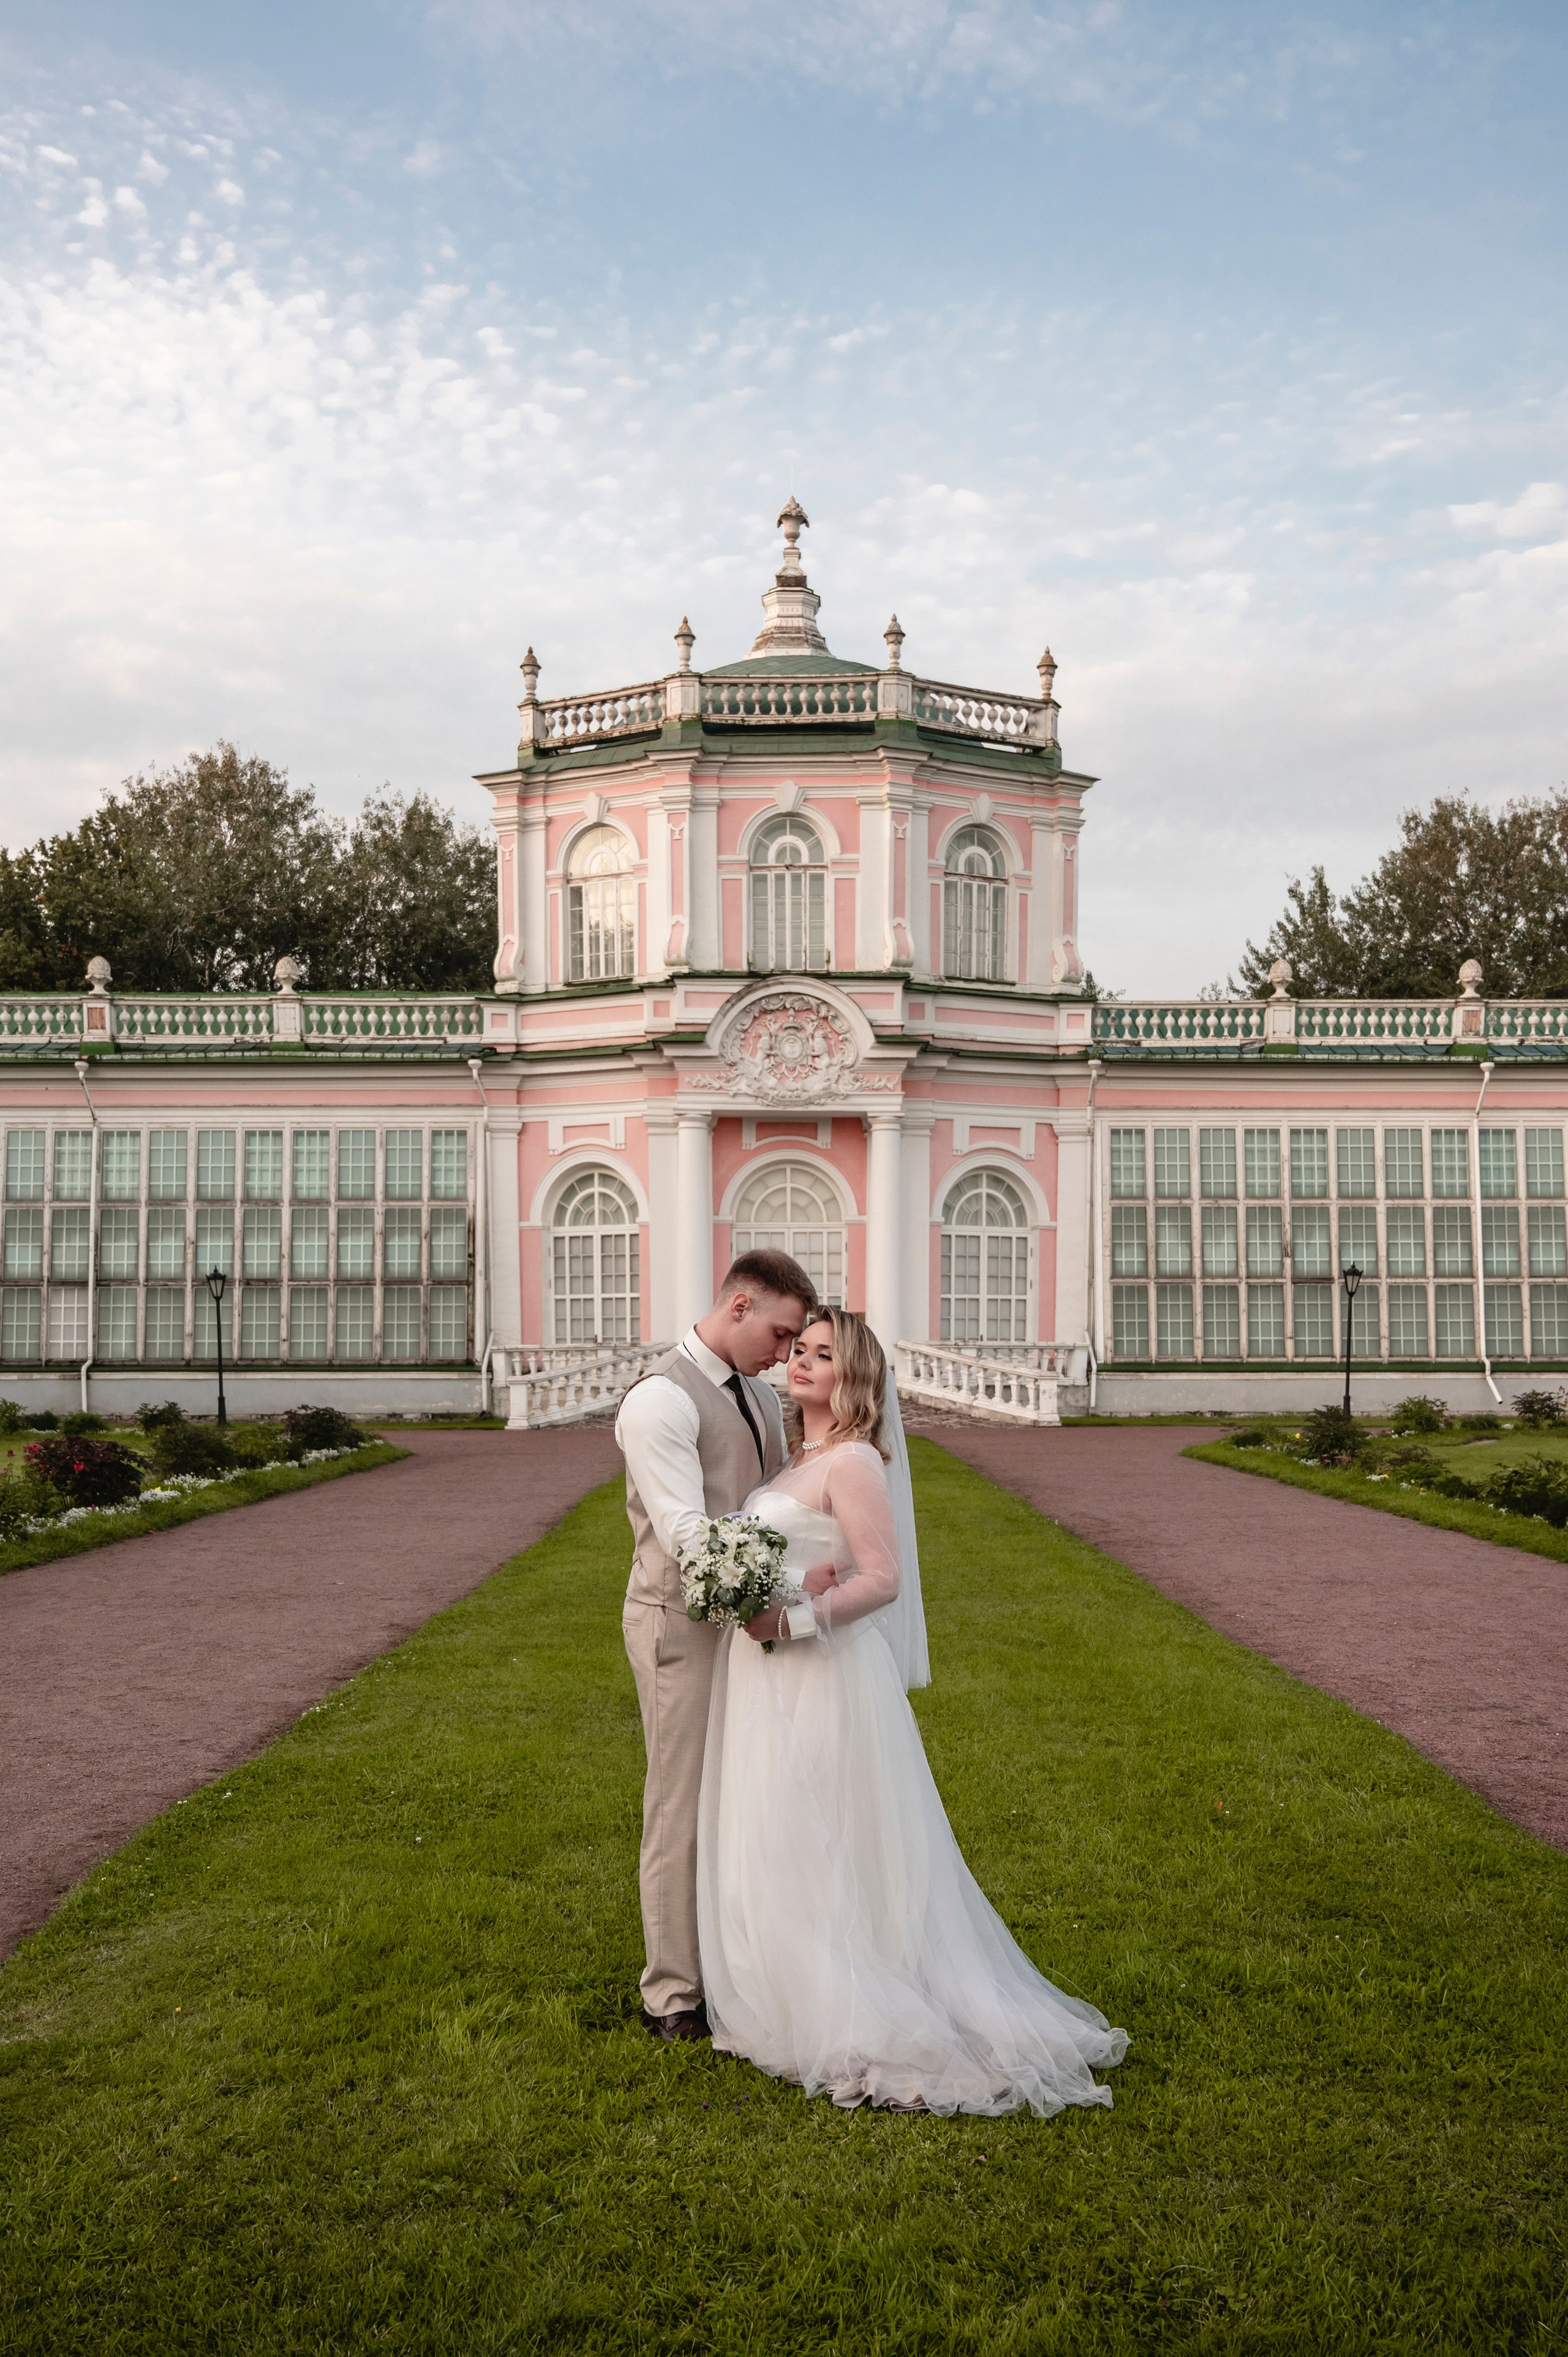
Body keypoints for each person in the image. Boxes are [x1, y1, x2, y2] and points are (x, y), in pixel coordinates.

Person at [696, 1306, 1129, 2116]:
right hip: (767, 1678)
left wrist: (788, 1618)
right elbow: (809, 1560)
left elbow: (883, 1578)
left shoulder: (853, 1459)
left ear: (853, 1377)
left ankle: (853, 2000)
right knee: (777, 1828)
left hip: (820, 1672)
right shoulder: (799, 1459)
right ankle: (780, 1985)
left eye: (822, 1356)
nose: (800, 1363)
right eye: (800, 1350)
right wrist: (759, 1591)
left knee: (823, 1833)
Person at [616, 1250, 818, 2043]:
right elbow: (688, 1536)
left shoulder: (763, 1401)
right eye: (780, 1334)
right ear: (739, 1307)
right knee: (682, 1804)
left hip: (751, 1620)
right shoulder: (661, 1400)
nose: (785, 1355)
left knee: (748, 1790)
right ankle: (670, 1993)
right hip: (681, 1625)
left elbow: (769, 1505)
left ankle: (740, 1961)